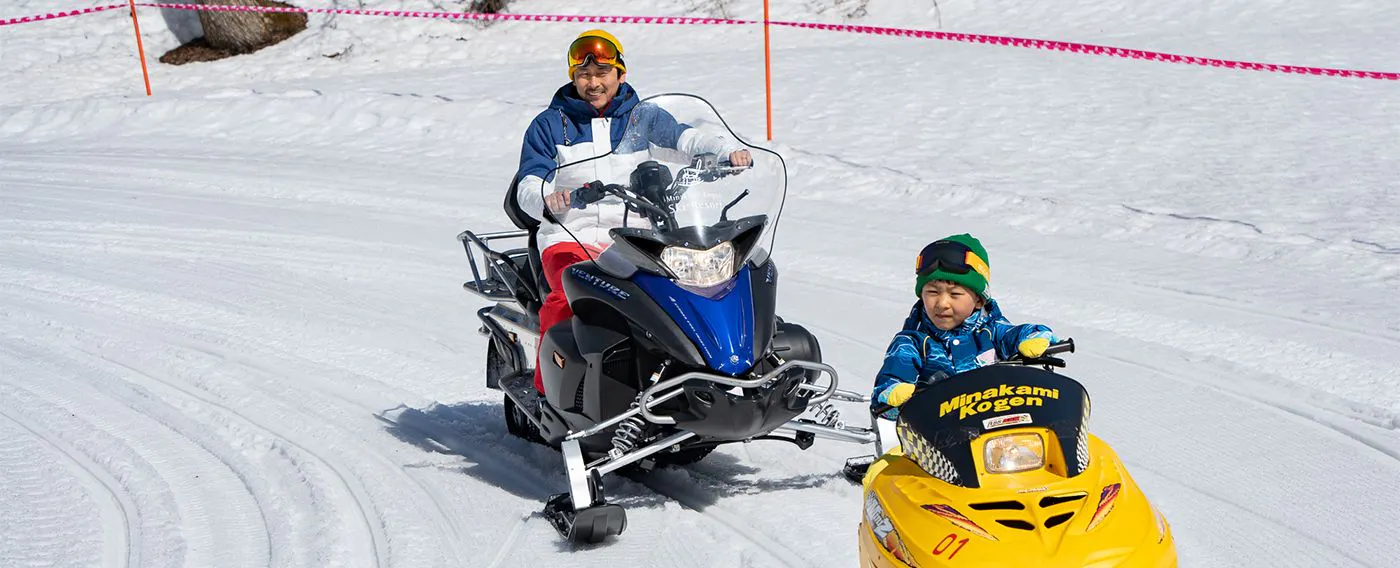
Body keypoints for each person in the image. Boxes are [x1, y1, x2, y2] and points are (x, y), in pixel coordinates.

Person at [514, 29, 752, 393]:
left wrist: (723, 153)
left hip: (636, 237)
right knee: (569, 292)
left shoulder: (643, 118)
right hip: (570, 234)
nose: (593, 83)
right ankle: (549, 393)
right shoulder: (550, 125)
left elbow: (686, 139)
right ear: (573, 78)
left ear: (620, 75)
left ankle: (685, 379)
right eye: (584, 75)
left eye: (602, 74)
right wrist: (549, 198)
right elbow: (528, 183)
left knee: (682, 290)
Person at [870, 234, 1057, 416]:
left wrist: (1035, 337)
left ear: (978, 300)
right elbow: (891, 379)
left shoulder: (990, 331)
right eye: (933, 292)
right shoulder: (912, 343)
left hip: (997, 427)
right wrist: (893, 393)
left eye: (955, 294)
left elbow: (1016, 334)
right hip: (935, 436)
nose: (942, 303)